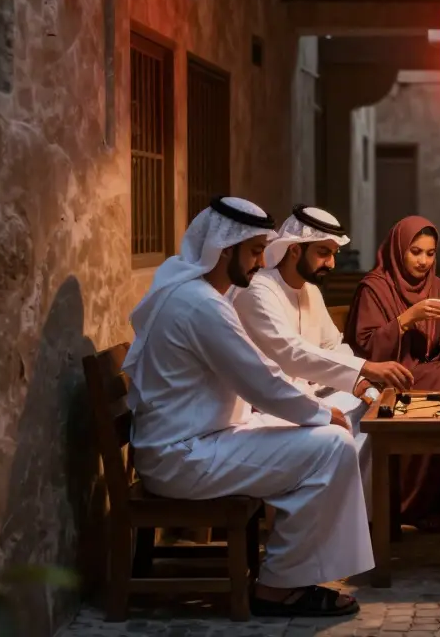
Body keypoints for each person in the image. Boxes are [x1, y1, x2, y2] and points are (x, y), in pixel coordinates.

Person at [123, 197, 369, 618]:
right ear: (224, 248)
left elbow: (260, 378)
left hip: (195, 442)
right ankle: (279, 588)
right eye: (254, 251)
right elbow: (260, 381)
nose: (260, 262)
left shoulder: (195, 292)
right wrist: (318, 413)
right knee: (331, 444)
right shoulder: (200, 304)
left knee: (331, 434)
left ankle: (294, 572)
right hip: (183, 456)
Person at [232, 205, 415, 512]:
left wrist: (364, 386)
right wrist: (367, 367)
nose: (331, 263)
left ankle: (364, 519)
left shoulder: (309, 292)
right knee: (343, 427)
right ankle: (329, 517)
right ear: (293, 251)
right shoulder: (258, 292)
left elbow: (334, 346)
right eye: (323, 252)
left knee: (375, 414)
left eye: (332, 254)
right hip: (270, 406)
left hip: (308, 395)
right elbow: (292, 353)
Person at [344, 215, 440, 531]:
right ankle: (423, 502)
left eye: (430, 253)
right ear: (399, 250)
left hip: (422, 373)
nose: (424, 261)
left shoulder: (435, 285)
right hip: (386, 376)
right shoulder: (374, 287)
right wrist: (405, 320)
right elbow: (364, 349)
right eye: (416, 252)